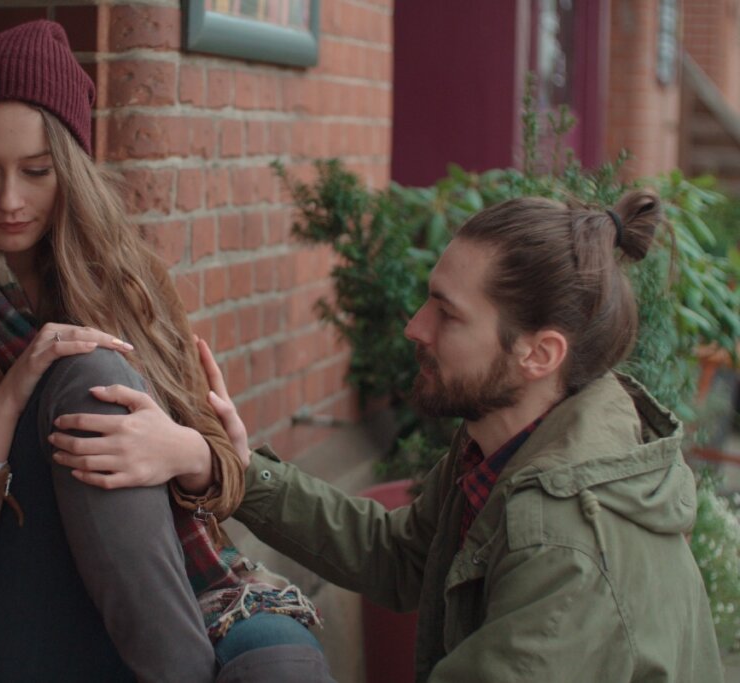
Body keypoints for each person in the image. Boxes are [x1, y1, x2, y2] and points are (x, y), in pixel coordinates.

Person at [54, 190, 725, 681]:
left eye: (447, 313)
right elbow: (400, 554)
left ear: (539, 354)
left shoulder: (565, 543)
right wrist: (222, 466)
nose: (414, 326)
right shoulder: (515, 449)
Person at [0, 19, 327, 683]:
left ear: (70, 166)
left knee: (282, 669)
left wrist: (188, 452)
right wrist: (11, 396)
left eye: (36, 171)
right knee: (88, 372)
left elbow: (226, 475)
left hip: (178, 591)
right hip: (22, 619)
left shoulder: (133, 284)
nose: (9, 200)